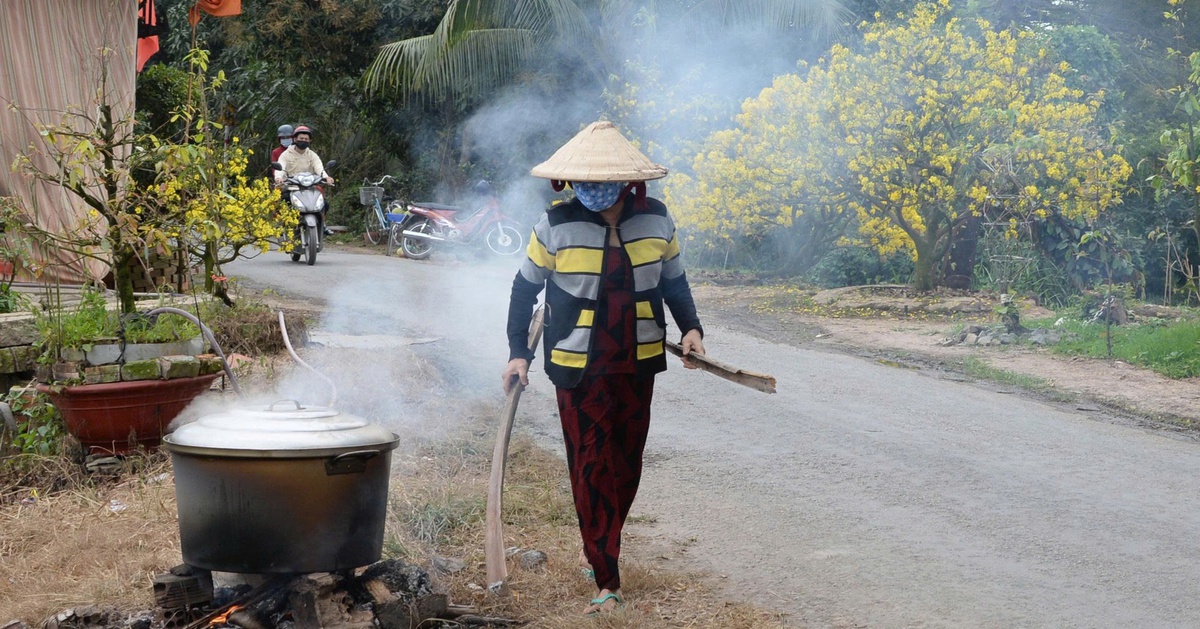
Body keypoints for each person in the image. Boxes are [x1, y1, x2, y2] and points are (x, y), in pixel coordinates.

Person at [502, 121, 705, 615]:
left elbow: (674, 284)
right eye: (582, 183)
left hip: (638, 363)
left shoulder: (657, 219)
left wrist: (692, 330)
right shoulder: (555, 225)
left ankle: (602, 541)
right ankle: (606, 576)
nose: (591, 191)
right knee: (591, 465)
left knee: (626, 465)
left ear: (627, 181)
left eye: (602, 182)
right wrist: (517, 353)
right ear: (567, 182)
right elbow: (524, 290)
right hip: (577, 368)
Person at [275, 125, 334, 234]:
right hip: (292, 186)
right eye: (301, 139)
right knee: (284, 200)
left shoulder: (312, 155)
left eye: (306, 139)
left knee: (324, 204)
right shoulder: (286, 155)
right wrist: (279, 177)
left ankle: (322, 224)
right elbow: (281, 167)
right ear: (295, 139)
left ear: (310, 140)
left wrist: (326, 177)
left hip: (310, 186)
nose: (303, 141)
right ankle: (283, 224)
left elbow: (319, 168)